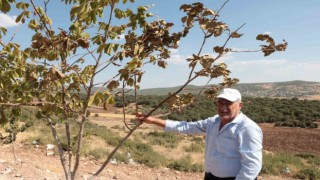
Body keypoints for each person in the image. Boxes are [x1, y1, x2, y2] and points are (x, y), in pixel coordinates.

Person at [136, 88, 263, 180]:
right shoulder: (213, 121)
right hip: (210, 177)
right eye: (220, 102)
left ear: (240, 105)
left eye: (228, 103)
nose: (223, 107)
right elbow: (186, 127)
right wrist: (153, 121)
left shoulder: (247, 128)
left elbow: (252, 165)